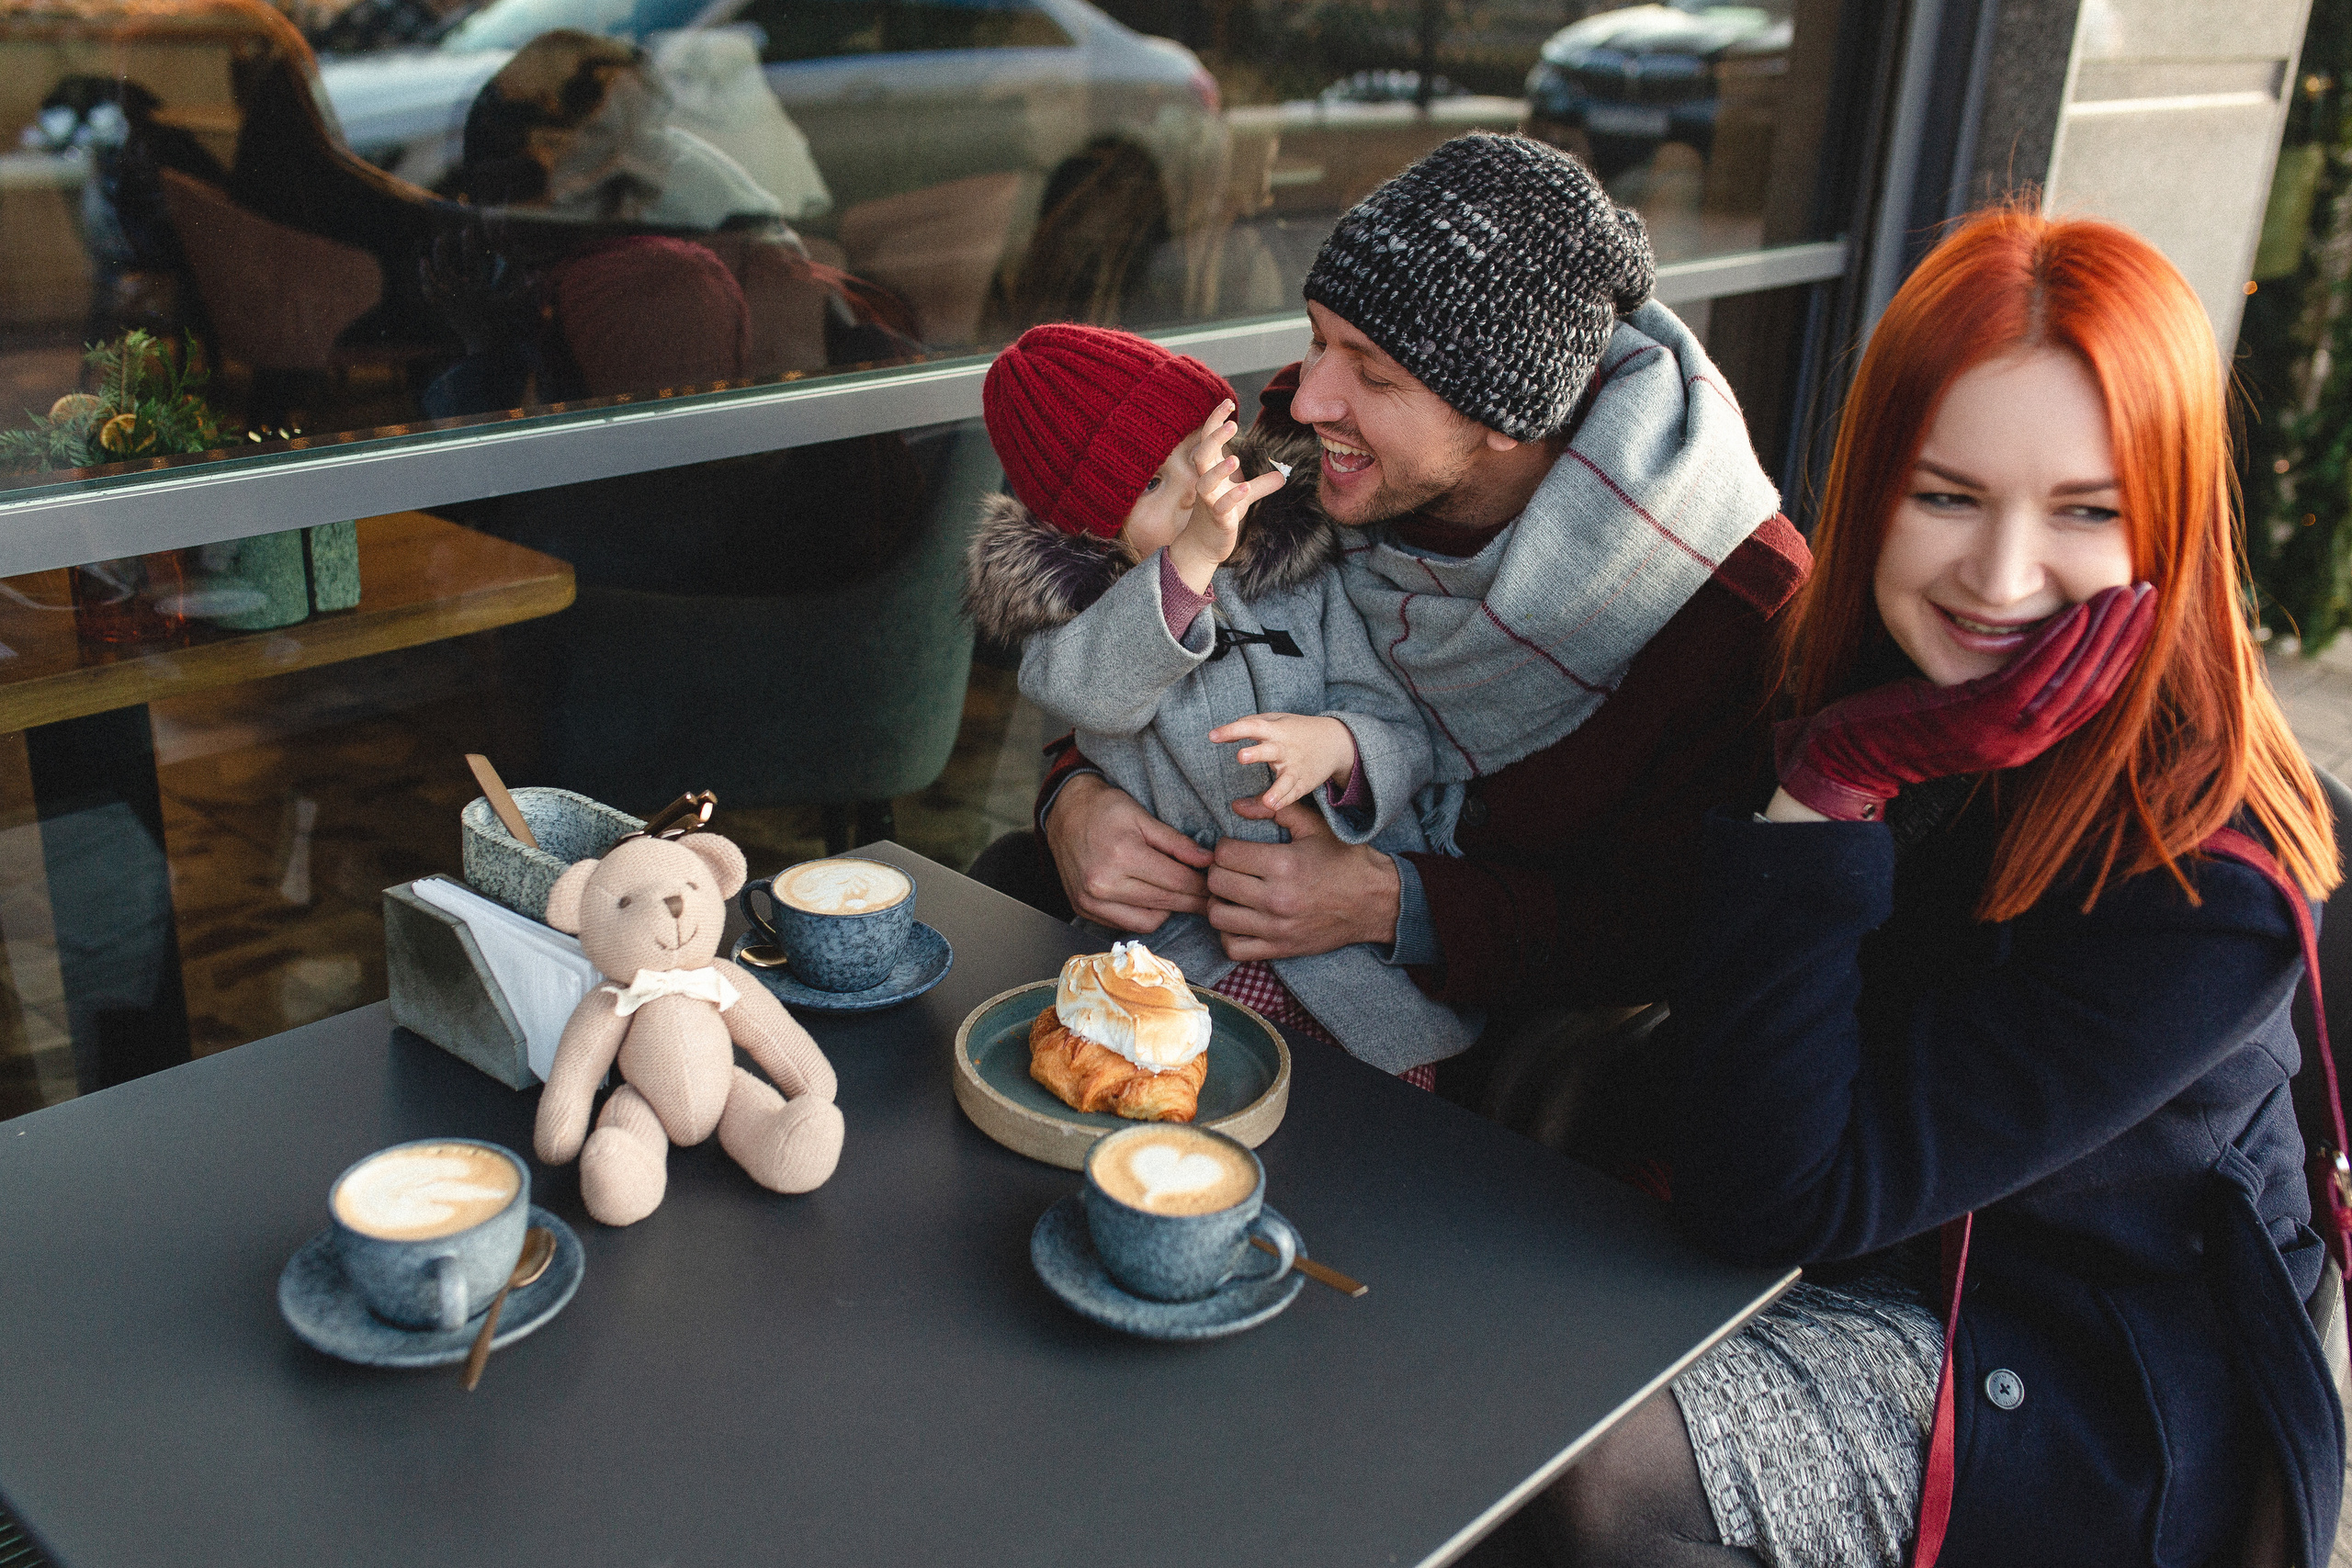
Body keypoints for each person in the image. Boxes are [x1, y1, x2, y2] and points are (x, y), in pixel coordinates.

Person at [1538, 207, 2344, 1567]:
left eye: (2085, 511)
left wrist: (1837, 786)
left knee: (1577, 1468)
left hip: (2053, 1362)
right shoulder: (1847, 663)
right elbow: (1622, 903)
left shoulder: (2206, 878)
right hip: (1854, 1239)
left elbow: (1773, 1194)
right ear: (1873, 488)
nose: (2003, 575)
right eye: (1950, 495)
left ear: (2168, 528)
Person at [1030, 133, 1809, 1042]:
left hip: (1477, 1075)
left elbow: (1674, 928)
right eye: (1318, 338)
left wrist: (1392, 904)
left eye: (1373, 373)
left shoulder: (1732, 601)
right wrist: (1072, 800)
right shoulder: (1309, 444)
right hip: (1194, 980)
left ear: (1509, 419)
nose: (1309, 399)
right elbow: (1148, 634)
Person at [967, 323, 1479, 1078]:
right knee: (1173, 1096)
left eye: (1197, 452)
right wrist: (1194, 555)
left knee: (1367, 1115)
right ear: (1092, 532)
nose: (1198, 490)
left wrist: (1338, 747)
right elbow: (1088, 692)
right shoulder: (1080, 626)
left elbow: (1399, 726)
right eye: (1151, 486)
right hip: (1183, 959)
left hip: (1352, 963)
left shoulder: (1305, 580)